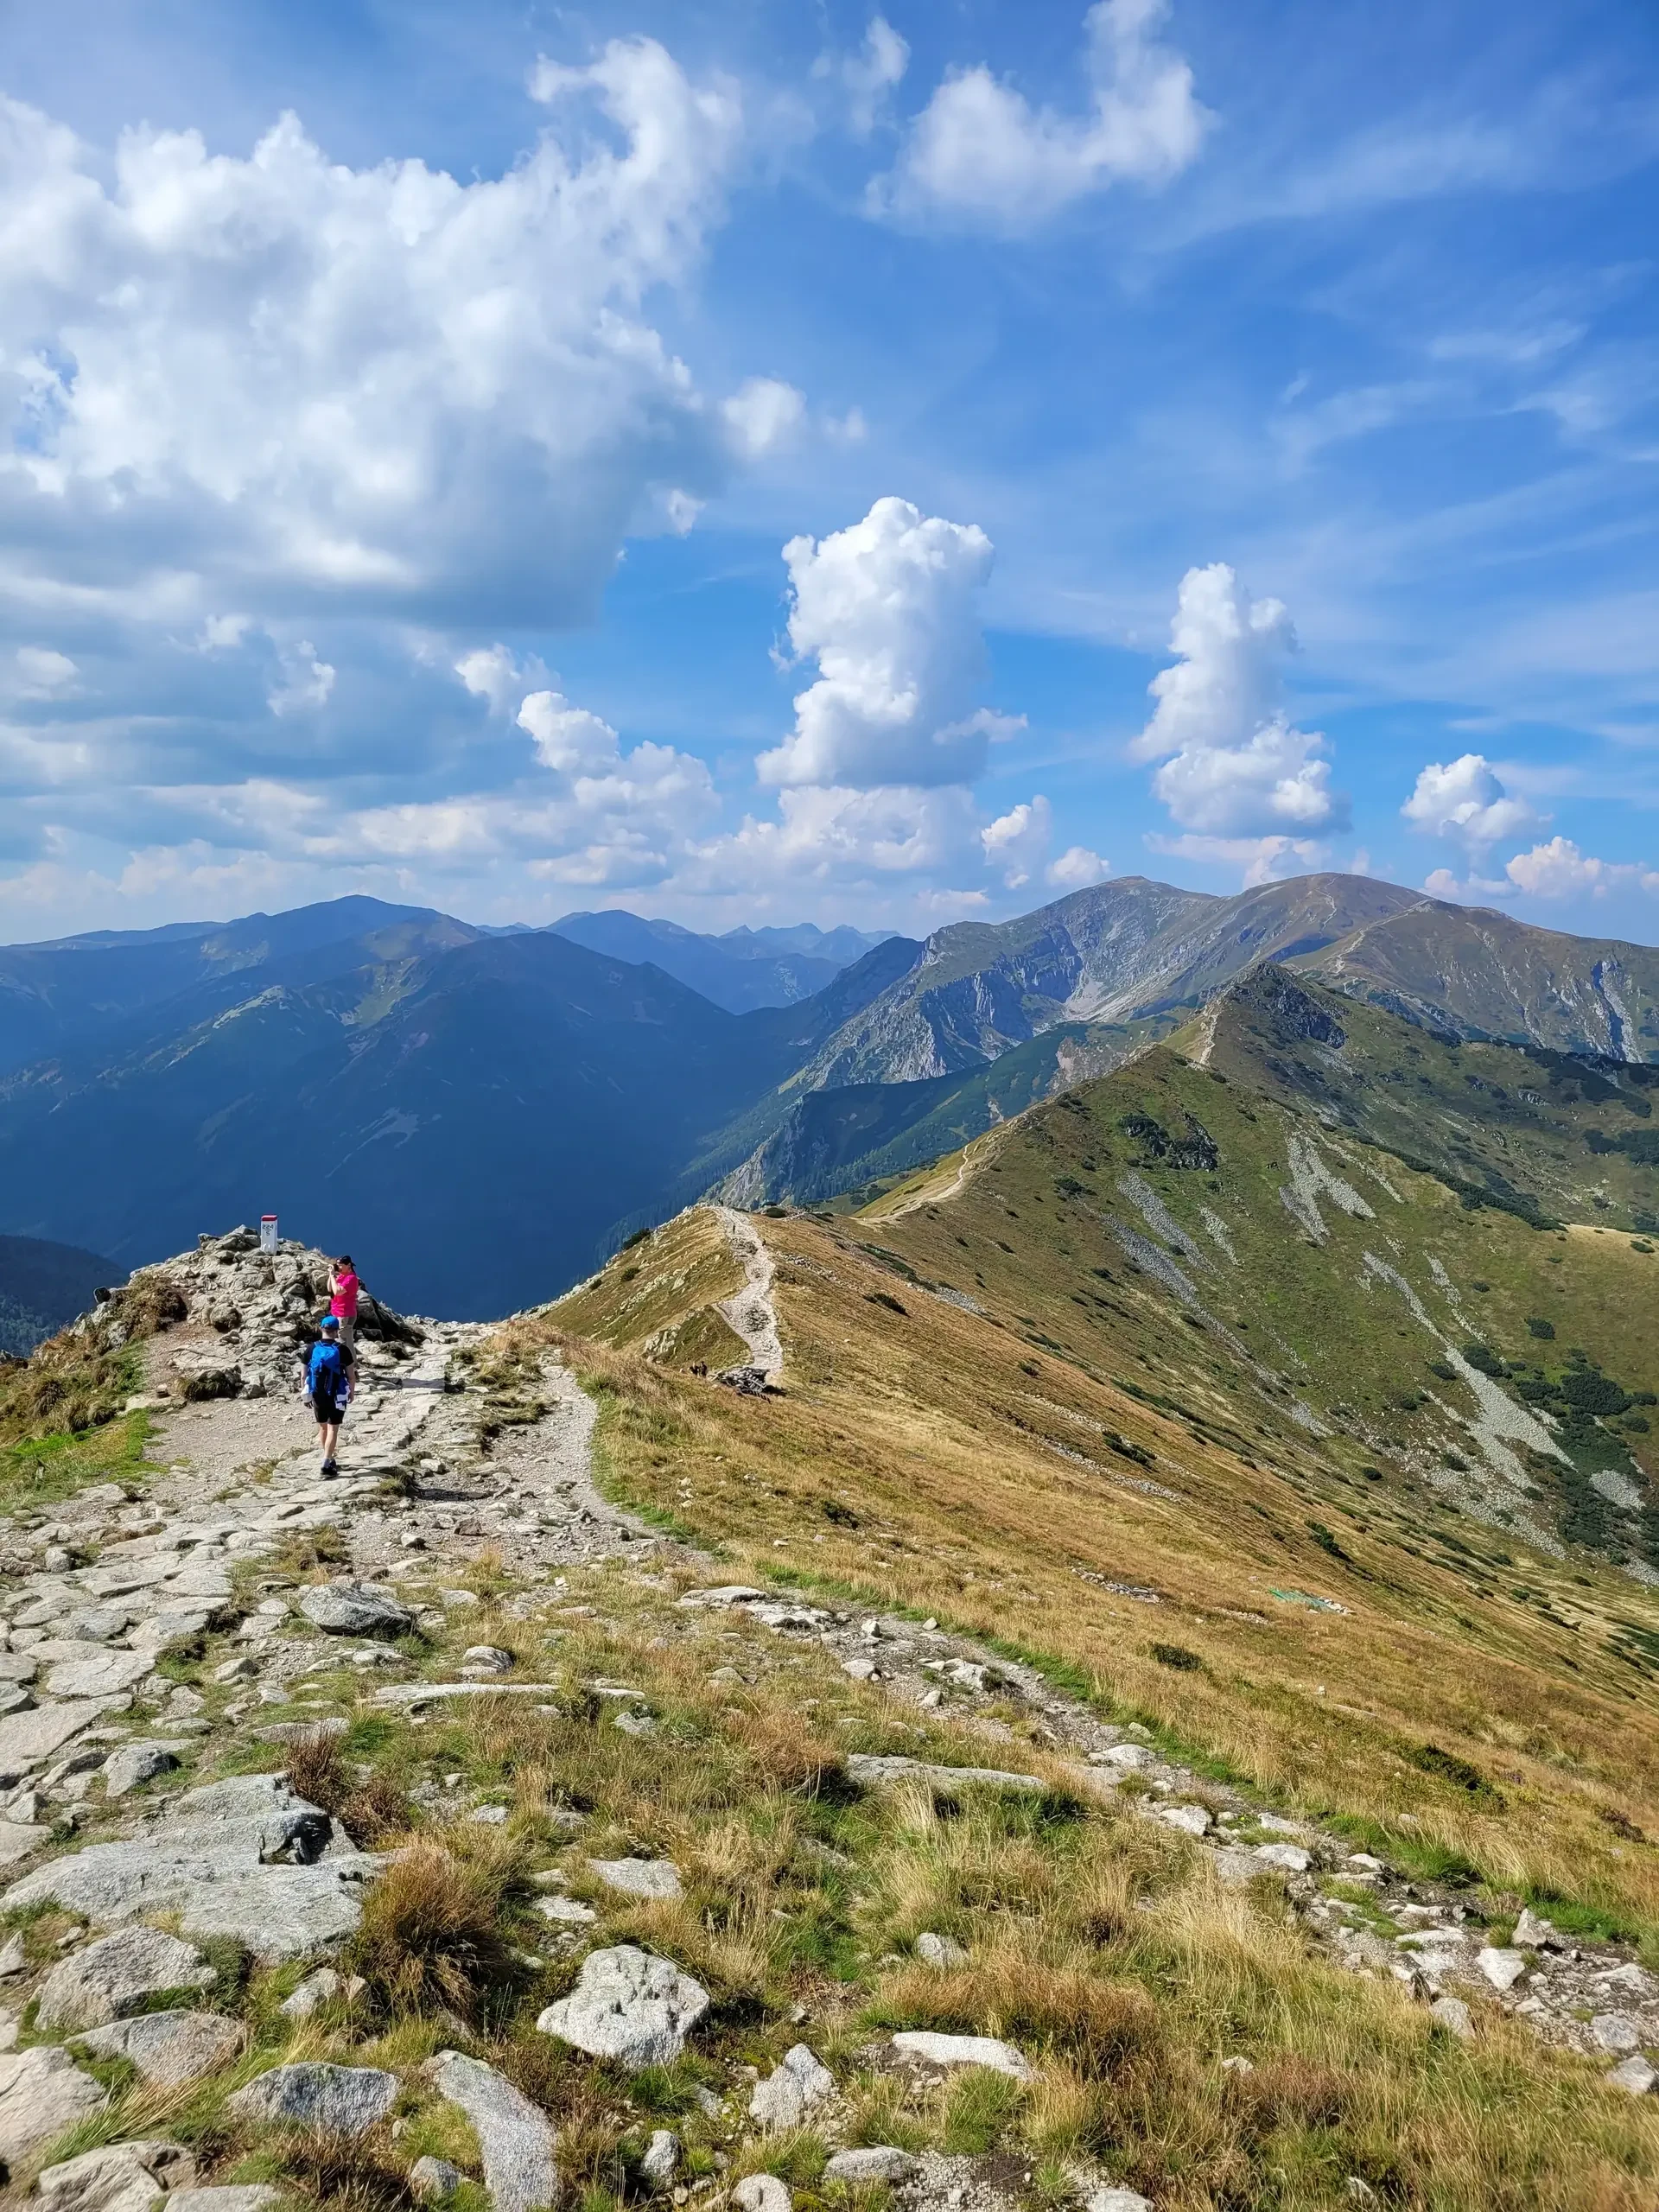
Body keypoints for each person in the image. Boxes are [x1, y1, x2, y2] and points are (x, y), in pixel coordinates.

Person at [304, 1314, 357, 1478]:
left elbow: (303, 1374)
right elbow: (351, 1375)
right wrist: (351, 1391)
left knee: (322, 1426)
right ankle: (326, 1463)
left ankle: (328, 1458)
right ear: (336, 1331)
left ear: (321, 1329)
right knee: (334, 1427)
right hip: (337, 1394)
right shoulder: (343, 1350)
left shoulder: (311, 1348)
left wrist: (306, 1394)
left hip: (317, 1392)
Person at [327, 1254, 361, 1350]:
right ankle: (352, 1363)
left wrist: (334, 1276)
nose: (339, 1267)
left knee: (345, 1342)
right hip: (338, 1312)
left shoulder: (351, 1278)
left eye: (341, 1265)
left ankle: (348, 1363)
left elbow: (338, 1292)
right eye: (338, 1265)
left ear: (349, 1265)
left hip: (345, 1314)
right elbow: (330, 1289)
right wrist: (331, 1276)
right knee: (346, 1341)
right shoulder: (342, 1276)